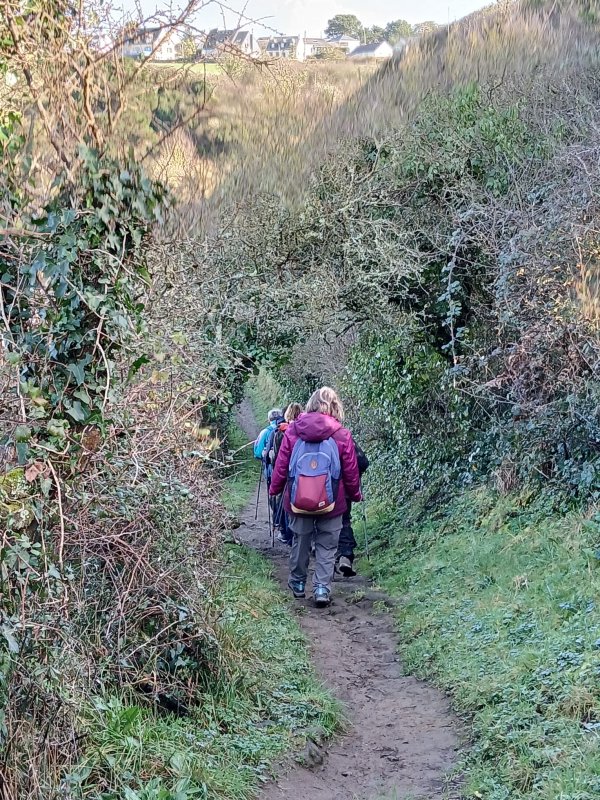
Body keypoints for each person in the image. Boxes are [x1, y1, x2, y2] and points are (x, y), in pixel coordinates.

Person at [269, 387, 361, 608]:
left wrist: (275, 489)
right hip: (332, 501)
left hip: (297, 499)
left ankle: (298, 583)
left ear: (310, 404)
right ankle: (321, 588)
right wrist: (354, 494)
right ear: (335, 407)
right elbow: (350, 470)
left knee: (300, 541)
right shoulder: (341, 434)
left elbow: (282, 464)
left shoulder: (293, 431)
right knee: (327, 545)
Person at [336, 441, 369, 577]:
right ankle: (345, 555)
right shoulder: (344, 437)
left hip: (318, 492)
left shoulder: (309, 438)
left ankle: (326, 562)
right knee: (344, 521)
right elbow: (362, 462)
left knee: (321, 525)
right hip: (343, 491)